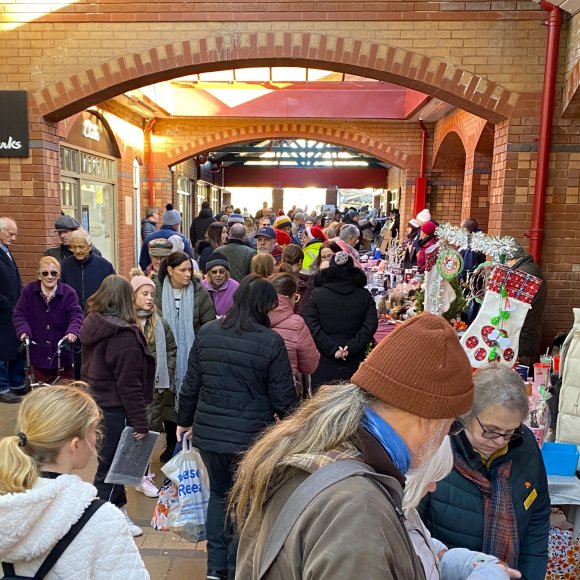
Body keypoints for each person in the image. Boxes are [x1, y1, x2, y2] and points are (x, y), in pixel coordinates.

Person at [232, 314, 475, 580]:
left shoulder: (318, 445)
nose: (444, 437)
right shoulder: (358, 509)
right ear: (426, 419)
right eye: (449, 426)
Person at [177, 274, 298, 580]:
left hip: (211, 433)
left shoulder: (207, 333)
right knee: (246, 502)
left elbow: (192, 383)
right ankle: (236, 566)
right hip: (251, 438)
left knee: (218, 495)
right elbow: (284, 398)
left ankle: (215, 568)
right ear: (263, 306)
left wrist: (183, 420)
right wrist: (295, 429)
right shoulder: (270, 342)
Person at [0, 383, 149, 579]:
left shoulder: (8, 507)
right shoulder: (102, 519)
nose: (97, 438)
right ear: (75, 445)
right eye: (94, 430)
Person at [419, 365, 550, 580]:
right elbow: (414, 536)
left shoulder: (525, 446)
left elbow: (537, 518)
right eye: (490, 431)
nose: (499, 441)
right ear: (467, 414)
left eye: (509, 432)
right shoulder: (435, 450)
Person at [80, 275, 155, 537]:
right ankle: (99, 521)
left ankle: (117, 510)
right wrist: (140, 421)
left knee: (113, 465)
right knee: (112, 469)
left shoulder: (94, 325)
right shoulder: (123, 336)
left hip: (98, 405)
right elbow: (128, 384)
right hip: (116, 409)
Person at [404, 437, 520, 580]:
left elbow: (433, 555)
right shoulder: (386, 528)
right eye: (431, 478)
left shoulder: (408, 515)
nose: (433, 487)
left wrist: (480, 563)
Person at [304, 251, 378, 390]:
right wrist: (351, 347)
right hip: (353, 361)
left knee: (322, 405)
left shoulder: (317, 295)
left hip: (324, 360)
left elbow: (311, 325)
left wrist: (332, 349)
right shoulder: (364, 295)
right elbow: (370, 325)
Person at [130, 272, 177, 476]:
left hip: (156, 387)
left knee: (150, 429)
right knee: (134, 431)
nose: (149, 298)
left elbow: (171, 350)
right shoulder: (127, 323)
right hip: (132, 386)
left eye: (151, 294)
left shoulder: (160, 324)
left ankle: (143, 471)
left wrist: (167, 371)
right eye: (144, 294)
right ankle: (135, 471)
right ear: (133, 296)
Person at [155, 251, 215, 404]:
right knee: (165, 407)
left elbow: (208, 326)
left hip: (191, 358)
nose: (188, 274)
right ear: (170, 270)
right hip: (163, 358)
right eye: (182, 270)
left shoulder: (199, 292)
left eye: (190, 270)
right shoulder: (156, 291)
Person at [13, 256, 83, 383]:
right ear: (39, 275)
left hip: (63, 355)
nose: (49, 277)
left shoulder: (69, 293)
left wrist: (72, 331)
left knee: (65, 395)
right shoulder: (29, 291)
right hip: (39, 354)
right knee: (42, 396)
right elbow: (19, 314)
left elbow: (76, 315)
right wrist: (23, 331)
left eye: (53, 273)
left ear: (59, 275)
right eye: (45, 273)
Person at [268, 273, 320, 395]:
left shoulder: (251, 317)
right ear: (289, 297)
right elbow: (310, 365)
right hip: (285, 392)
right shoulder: (296, 324)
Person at [507, 242, 547, 367]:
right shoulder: (530, 269)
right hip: (529, 333)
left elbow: (513, 308)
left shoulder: (523, 274)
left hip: (522, 338)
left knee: (520, 375)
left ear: (512, 259)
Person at [0, 217, 25, 403]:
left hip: (13, 311)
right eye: (11, 234)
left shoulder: (6, 250)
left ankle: (16, 383)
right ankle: (2, 388)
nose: (14, 238)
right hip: (3, 312)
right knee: (2, 351)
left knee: (15, 346)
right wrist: (7, 303)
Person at [61, 229, 116, 311]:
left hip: (98, 315)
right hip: (73, 314)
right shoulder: (65, 265)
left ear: (90, 247)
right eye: (74, 247)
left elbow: (113, 292)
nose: (77, 250)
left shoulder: (105, 266)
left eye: (81, 247)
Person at [139, 204, 193, 271]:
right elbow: (190, 260)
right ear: (175, 223)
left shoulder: (149, 238)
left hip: (153, 277)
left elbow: (143, 262)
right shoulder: (181, 239)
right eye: (178, 223)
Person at [202, 252, 240, 317]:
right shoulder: (202, 286)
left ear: (226, 272)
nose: (218, 275)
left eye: (221, 271)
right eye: (214, 272)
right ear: (209, 273)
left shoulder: (235, 287)